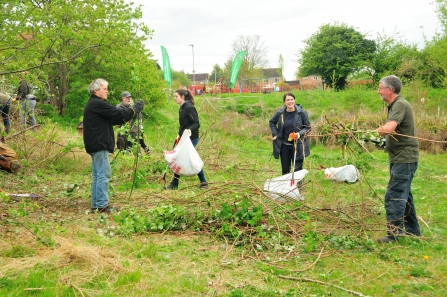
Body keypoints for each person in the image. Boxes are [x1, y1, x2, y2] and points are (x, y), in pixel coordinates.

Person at [83, 79, 144, 213]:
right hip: (99, 144)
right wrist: (135, 109)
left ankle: (96, 205)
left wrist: (131, 111)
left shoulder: (95, 104)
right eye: (105, 89)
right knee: (103, 174)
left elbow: (116, 119)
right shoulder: (98, 103)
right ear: (96, 90)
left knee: (98, 175)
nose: (107, 91)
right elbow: (118, 114)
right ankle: (101, 206)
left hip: (95, 144)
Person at [375, 75, 421, 243]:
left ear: (390, 90)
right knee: (405, 194)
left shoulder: (400, 104)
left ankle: (393, 235)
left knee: (394, 194)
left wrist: (379, 130)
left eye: (380, 88)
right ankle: (413, 232)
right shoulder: (395, 105)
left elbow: (388, 128)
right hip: (400, 158)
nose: (378, 91)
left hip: (405, 158)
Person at [165, 89, 208, 190]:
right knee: (181, 158)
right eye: (174, 96)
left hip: (191, 138)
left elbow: (196, 123)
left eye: (176, 96)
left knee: (187, 158)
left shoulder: (189, 108)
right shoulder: (182, 108)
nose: (174, 98)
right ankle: (176, 183)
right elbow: (183, 124)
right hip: (183, 138)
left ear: (182, 97)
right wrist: (179, 135)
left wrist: (189, 130)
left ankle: (203, 182)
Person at [269, 92, 311, 175]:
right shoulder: (280, 113)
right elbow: (272, 122)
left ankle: (299, 186)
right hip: (284, 145)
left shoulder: (302, 113)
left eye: (292, 99)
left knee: (297, 169)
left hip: (297, 145)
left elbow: (308, 127)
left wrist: (299, 134)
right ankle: (286, 187)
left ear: (294, 100)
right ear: (284, 102)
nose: (290, 101)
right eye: (288, 100)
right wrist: (275, 134)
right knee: (285, 169)